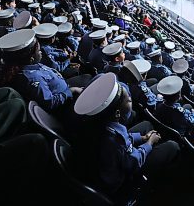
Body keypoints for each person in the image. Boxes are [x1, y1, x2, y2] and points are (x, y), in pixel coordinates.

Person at [73, 73, 180, 203]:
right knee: (172, 146)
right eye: (128, 100)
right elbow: (133, 161)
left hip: (104, 163)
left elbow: (122, 144)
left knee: (146, 125)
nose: (131, 101)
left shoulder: (97, 122)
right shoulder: (114, 137)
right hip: (121, 182)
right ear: (117, 113)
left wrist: (142, 137)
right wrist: (149, 143)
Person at [0, 29, 86, 120]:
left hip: (63, 88)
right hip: (65, 105)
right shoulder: (33, 78)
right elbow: (50, 103)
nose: (41, 52)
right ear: (31, 58)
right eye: (38, 51)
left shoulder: (30, 66)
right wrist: (71, 91)